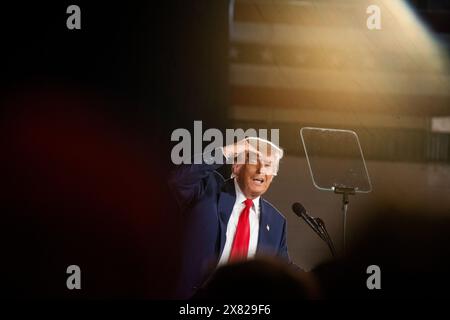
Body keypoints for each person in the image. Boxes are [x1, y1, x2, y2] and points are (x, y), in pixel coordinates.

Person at [168, 137, 293, 298]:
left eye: (268, 165)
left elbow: (284, 269)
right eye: (254, 161)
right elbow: (179, 180)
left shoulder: (276, 222)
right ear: (236, 167)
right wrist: (226, 151)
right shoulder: (208, 189)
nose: (261, 170)